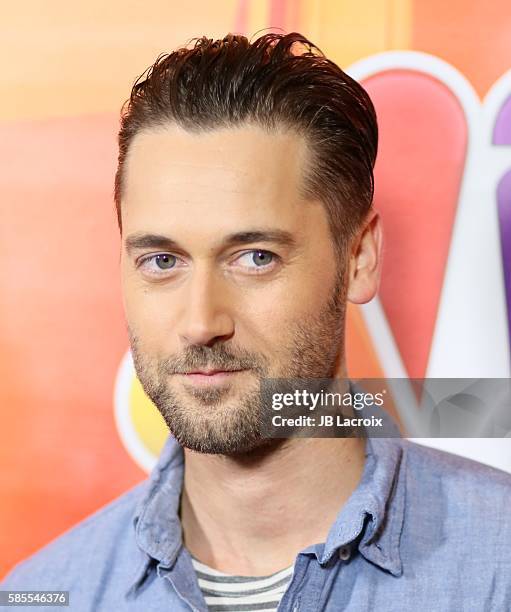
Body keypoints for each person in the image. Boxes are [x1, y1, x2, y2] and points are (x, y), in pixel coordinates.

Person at [2, 32, 510, 612]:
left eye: (255, 257)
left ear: (360, 257)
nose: (201, 322)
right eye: (162, 261)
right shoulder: (46, 593)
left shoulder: (499, 563)